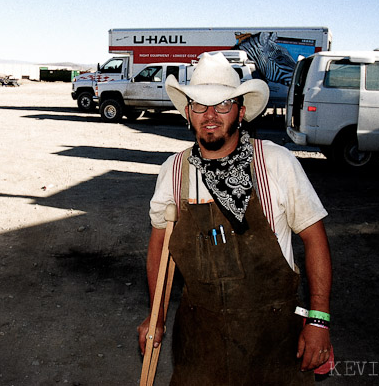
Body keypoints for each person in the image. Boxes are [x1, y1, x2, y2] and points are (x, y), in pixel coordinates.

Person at [137, 52, 332, 384]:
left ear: (241, 112)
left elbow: (315, 239)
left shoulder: (276, 163)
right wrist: (155, 317)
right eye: (199, 105)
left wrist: (318, 320)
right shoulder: (174, 172)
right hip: (200, 342)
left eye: (223, 105)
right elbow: (160, 247)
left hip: (273, 340)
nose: (210, 115)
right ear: (187, 112)